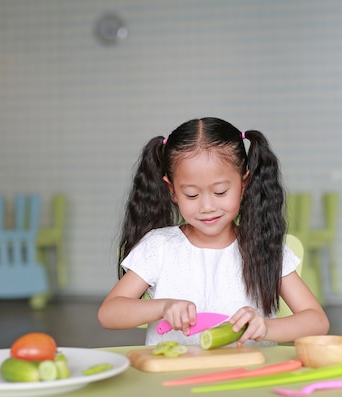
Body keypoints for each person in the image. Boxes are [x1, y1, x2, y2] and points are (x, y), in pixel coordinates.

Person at [98, 117, 329, 346]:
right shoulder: (159, 247)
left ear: (243, 184)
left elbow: (317, 321)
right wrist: (163, 307)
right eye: (191, 195)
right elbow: (109, 313)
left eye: (220, 192)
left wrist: (266, 327)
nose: (207, 207)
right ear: (172, 190)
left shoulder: (264, 247)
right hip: (174, 378)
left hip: (249, 377)